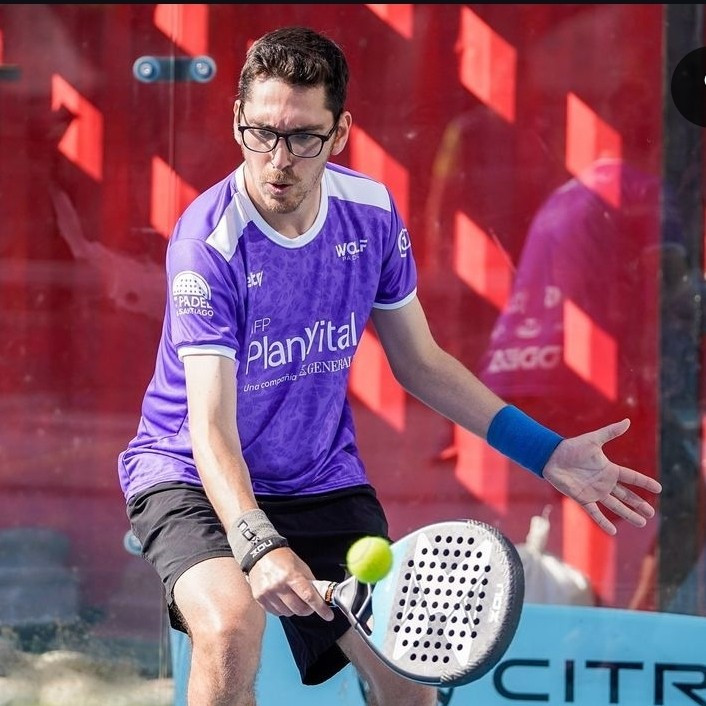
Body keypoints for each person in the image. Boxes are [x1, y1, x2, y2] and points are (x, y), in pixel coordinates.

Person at [117, 26, 662, 706]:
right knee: (230, 628)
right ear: (238, 123)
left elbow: (421, 363)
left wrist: (546, 453)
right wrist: (257, 543)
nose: (278, 159)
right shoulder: (209, 243)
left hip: (319, 477)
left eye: (303, 136)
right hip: (193, 475)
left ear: (340, 132)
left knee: (410, 682)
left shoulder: (370, 215)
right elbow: (210, 427)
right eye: (261, 133)